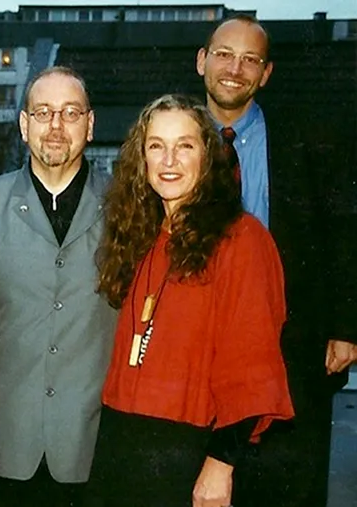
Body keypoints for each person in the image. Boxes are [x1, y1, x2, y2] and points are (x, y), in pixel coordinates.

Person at [89, 93, 294, 507]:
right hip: (120, 445)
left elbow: (254, 368)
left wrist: (220, 465)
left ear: (209, 155)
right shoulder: (140, 236)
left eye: (185, 146)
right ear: (141, 159)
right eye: (156, 146)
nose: (169, 161)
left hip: (190, 451)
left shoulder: (242, 240)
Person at [195, 15, 357, 506]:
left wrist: (346, 324)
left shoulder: (309, 137)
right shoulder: (169, 142)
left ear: (266, 74)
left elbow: (343, 227)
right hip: (196, 355)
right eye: (224, 54)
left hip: (292, 354)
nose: (235, 69)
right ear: (202, 60)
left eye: (251, 60)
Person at [0, 66, 117, 507]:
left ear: (91, 123)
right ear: (24, 125)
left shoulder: (129, 208)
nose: (57, 127)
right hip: (6, 436)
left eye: (70, 112)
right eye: (43, 112)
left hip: (99, 439)